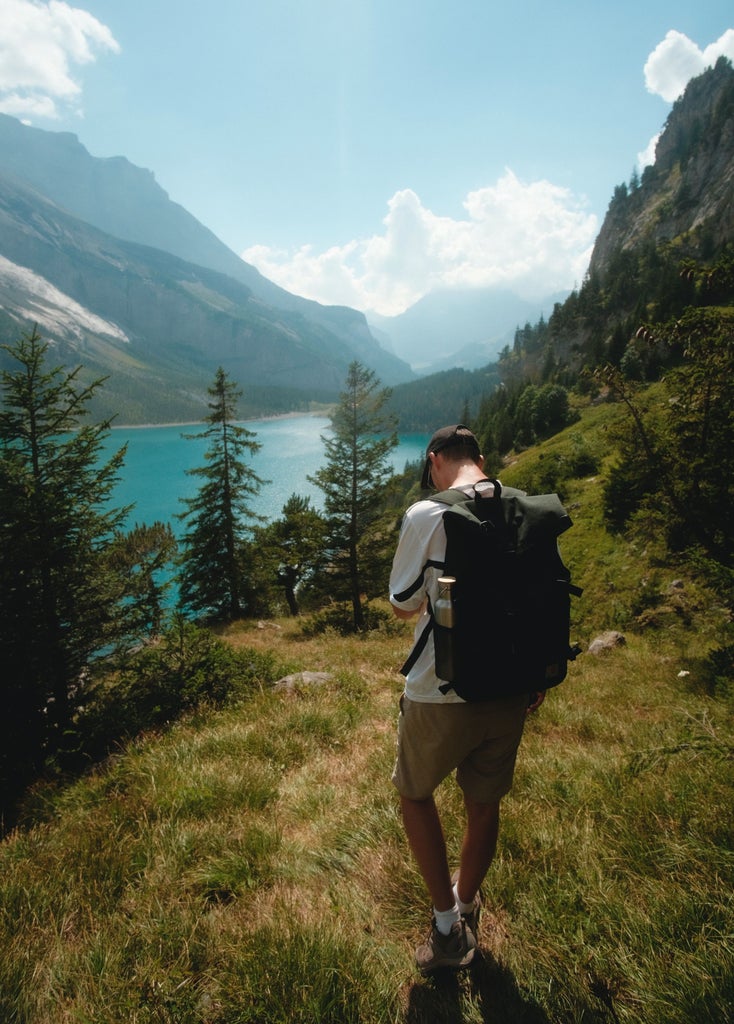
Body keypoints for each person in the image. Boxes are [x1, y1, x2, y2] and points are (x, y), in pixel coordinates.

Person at [389, 424, 544, 974]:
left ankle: (447, 928)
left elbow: (404, 605)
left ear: (434, 461)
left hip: (440, 690)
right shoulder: (525, 507)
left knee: (414, 793)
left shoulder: (427, 514)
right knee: (484, 803)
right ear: (481, 458)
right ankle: (469, 900)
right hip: (512, 687)